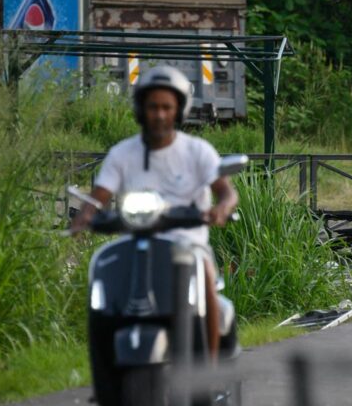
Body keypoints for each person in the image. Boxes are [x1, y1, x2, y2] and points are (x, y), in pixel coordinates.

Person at [70, 65, 238, 359]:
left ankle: (207, 370)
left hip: (189, 242)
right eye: (152, 107)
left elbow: (226, 191)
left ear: (178, 111)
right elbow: (99, 196)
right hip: (136, 241)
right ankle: (106, 365)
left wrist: (221, 208)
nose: (159, 114)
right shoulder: (122, 153)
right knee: (105, 283)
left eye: (166, 107)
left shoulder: (198, 151)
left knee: (208, 279)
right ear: (140, 110)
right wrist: (85, 215)